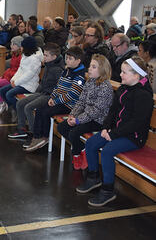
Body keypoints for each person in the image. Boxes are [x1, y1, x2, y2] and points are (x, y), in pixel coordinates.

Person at [76, 56, 153, 207]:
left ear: (136, 76)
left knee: (107, 151)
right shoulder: (124, 89)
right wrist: (105, 127)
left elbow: (137, 123)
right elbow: (112, 112)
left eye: (124, 72)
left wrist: (113, 134)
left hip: (133, 137)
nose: (121, 75)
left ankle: (108, 190)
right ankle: (93, 178)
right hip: (116, 131)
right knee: (91, 143)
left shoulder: (144, 96)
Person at [24, 46, 86, 152]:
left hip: (69, 105)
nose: (67, 60)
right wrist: (52, 97)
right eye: (67, 58)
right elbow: (58, 86)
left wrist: (56, 101)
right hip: (59, 101)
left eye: (70, 59)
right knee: (40, 109)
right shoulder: (67, 70)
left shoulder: (79, 76)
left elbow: (72, 94)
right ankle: (37, 136)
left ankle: (44, 136)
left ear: (78, 61)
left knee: (45, 112)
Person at [57, 54, 113, 170]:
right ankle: (81, 149)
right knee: (62, 127)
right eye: (90, 66)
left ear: (102, 69)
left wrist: (78, 120)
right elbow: (81, 101)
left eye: (94, 67)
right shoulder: (90, 81)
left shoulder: (105, 87)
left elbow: (96, 111)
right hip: (86, 117)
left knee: (74, 132)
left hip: (98, 121)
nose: (89, 69)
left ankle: (76, 153)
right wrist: (73, 115)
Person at [8, 43, 64, 140]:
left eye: (46, 55)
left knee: (28, 107)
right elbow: (43, 83)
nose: (44, 57)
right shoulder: (48, 65)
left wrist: (44, 95)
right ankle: (22, 130)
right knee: (20, 103)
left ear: (54, 57)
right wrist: (35, 94)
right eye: (44, 54)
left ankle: (35, 133)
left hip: (49, 96)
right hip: (41, 93)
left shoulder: (58, 70)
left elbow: (59, 88)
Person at [0, 36, 43, 121]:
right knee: (2, 91)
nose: (21, 48)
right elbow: (20, 69)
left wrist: (16, 83)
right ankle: (16, 109)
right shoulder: (25, 55)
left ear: (28, 48)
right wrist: (13, 79)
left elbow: (28, 75)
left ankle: (20, 114)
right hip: (21, 83)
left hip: (29, 85)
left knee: (9, 94)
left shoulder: (35, 59)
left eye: (23, 47)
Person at [0, 36, 23, 115]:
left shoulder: (21, 57)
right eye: (11, 43)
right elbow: (11, 68)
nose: (11, 46)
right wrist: (5, 74)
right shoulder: (15, 54)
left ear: (19, 46)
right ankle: (1, 102)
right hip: (9, 75)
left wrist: (8, 75)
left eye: (14, 44)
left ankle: (1, 103)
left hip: (13, 78)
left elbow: (18, 71)